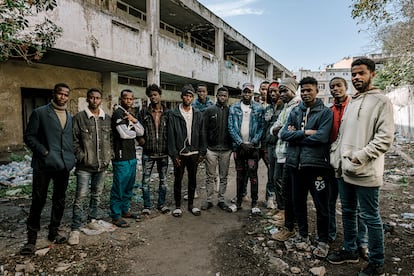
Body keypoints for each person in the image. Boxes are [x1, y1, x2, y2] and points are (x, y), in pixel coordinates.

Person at [327, 57, 394, 276]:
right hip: (344, 170)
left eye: (361, 73)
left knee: (370, 217)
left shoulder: (382, 101)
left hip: (366, 171)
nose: (356, 77)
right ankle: (350, 249)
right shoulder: (353, 101)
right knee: (347, 211)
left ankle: (376, 262)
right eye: (353, 74)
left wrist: (360, 157)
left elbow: (384, 139)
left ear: (372, 74)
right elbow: (343, 135)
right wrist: (336, 158)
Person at [280, 76, 333, 258]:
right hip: (295, 165)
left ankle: (323, 240)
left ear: (317, 90)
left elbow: (322, 137)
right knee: (298, 203)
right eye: (302, 90)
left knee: (321, 205)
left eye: (309, 90)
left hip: (316, 167)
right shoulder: (295, 111)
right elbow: (284, 134)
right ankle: (303, 235)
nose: (305, 93)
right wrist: (305, 132)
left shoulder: (325, 112)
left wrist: (298, 137)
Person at [20, 83, 75, 255]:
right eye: (60, 94)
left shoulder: (69, 115)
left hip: (63, 165)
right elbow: (29, 136)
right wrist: (44, 151)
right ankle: (31, 239)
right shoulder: (40, 113)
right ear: (54, 94)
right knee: (39, 200)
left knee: (59, 200)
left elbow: (69, 139)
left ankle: (53, 232)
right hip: (43, 165)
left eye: (66, 94)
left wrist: (71, 157)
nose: (63, 97)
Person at [327, 77, 368, 260]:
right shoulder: (330, 111)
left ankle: (362, 242)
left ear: (346, 87)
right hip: (334, 161)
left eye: (338, 86)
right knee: (337, 203)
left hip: (352, 160)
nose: (335, 89)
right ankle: (336, 237)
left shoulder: (355, 107)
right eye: (332, 87)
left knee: (357, 206)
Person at [68, 88, 112, 245]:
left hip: (102, 166)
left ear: (101, 100)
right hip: (84, 167)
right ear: (87, 99)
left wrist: (109, 155)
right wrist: (82, 156)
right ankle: (75, 228)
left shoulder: (106, 118)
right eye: (92, 98)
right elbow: (73, 140)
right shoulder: (79, 118)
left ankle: (92, 219)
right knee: (80, 197)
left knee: (97, 195)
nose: (94, 100)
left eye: (97, 98)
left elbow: (111, 140)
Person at [269, 78, 300, 242]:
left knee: (289, 190)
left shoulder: (297, 107)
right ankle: (284, 214)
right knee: (278, 182)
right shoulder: (286, 107)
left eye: (284, 91)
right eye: (280, 91)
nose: (281, 94)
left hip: (290, 154)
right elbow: (273, 128)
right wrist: (279, 130)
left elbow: (288, 132)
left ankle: (290, 224)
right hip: (280, 152)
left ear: (293, 90)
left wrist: (280, 131)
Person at [168, 84, 205, 217]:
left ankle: (191, 205)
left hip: (193, 152)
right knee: (178, 179)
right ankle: (177, 206)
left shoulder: (197, 113)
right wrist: (174, 154)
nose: (188, 98)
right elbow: (171, 135)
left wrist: (202, 151)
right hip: (180, 153)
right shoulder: (174, 114)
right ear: (182, 96)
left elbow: (202, 133)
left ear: (192, 98)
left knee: (193, 179)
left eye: (190, 96)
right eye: (186, 96)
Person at [228, 82, 265, 214]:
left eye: (249, 92)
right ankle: (238, 202)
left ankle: (254, 203)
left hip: (253, 148)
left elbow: (261, 127)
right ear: (242, 93)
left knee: (253, 175)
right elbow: (231, 127)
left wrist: (253, 142)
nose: (247, 94)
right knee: (239, 176)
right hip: (239, 148)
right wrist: (240, 143)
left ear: (253, 93)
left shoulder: (259, 108)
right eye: (245, 91)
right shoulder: (234, 108)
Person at [110, 89, 144, 228]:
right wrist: (135, 132)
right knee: (119, 186)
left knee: (129, 185)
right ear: (121, 99)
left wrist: (134, 121)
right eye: (126, 98)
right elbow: (124, 134)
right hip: (121, 157)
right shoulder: (118, 113)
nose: (129, 101)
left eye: (131, 99)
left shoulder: (129, 114)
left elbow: (142, 131)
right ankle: (116, 215)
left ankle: (125, 210)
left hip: (131, 156)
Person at [137, 84, 170, 215]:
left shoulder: (167, 113)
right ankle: (147, 206)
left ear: (160, 95)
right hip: (148, 153)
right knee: (145, 181)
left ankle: (161, 204)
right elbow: (136, 127)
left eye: (155, 95)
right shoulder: (143, 112)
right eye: (150, 95)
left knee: (163, 181)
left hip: (163, 152)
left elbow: (171, 131)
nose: (153, 97)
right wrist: (140, 140)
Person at [201, 87, 232, 211]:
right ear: (216, 96)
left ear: (227, 97)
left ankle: (221, 199)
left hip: (226, 149)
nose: (222, 98)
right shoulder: (209, 110)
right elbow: (203, 129)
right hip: (211, 150)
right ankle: (209, 200)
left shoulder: (231, 111)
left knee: (223, 176)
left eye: (225, 95)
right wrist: (205, 148)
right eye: (220, 95)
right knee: (210, 176)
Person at [263, 81, 283, 209]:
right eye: (271, 92)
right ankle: (269, 198)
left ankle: (280, 200)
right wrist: (264, 147)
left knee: (279, 175)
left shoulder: (285, 107)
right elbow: (265, 127)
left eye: (276, 91)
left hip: (281, 145)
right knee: (271, 173)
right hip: (270, 145)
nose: (273, 93)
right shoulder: (268, 108)